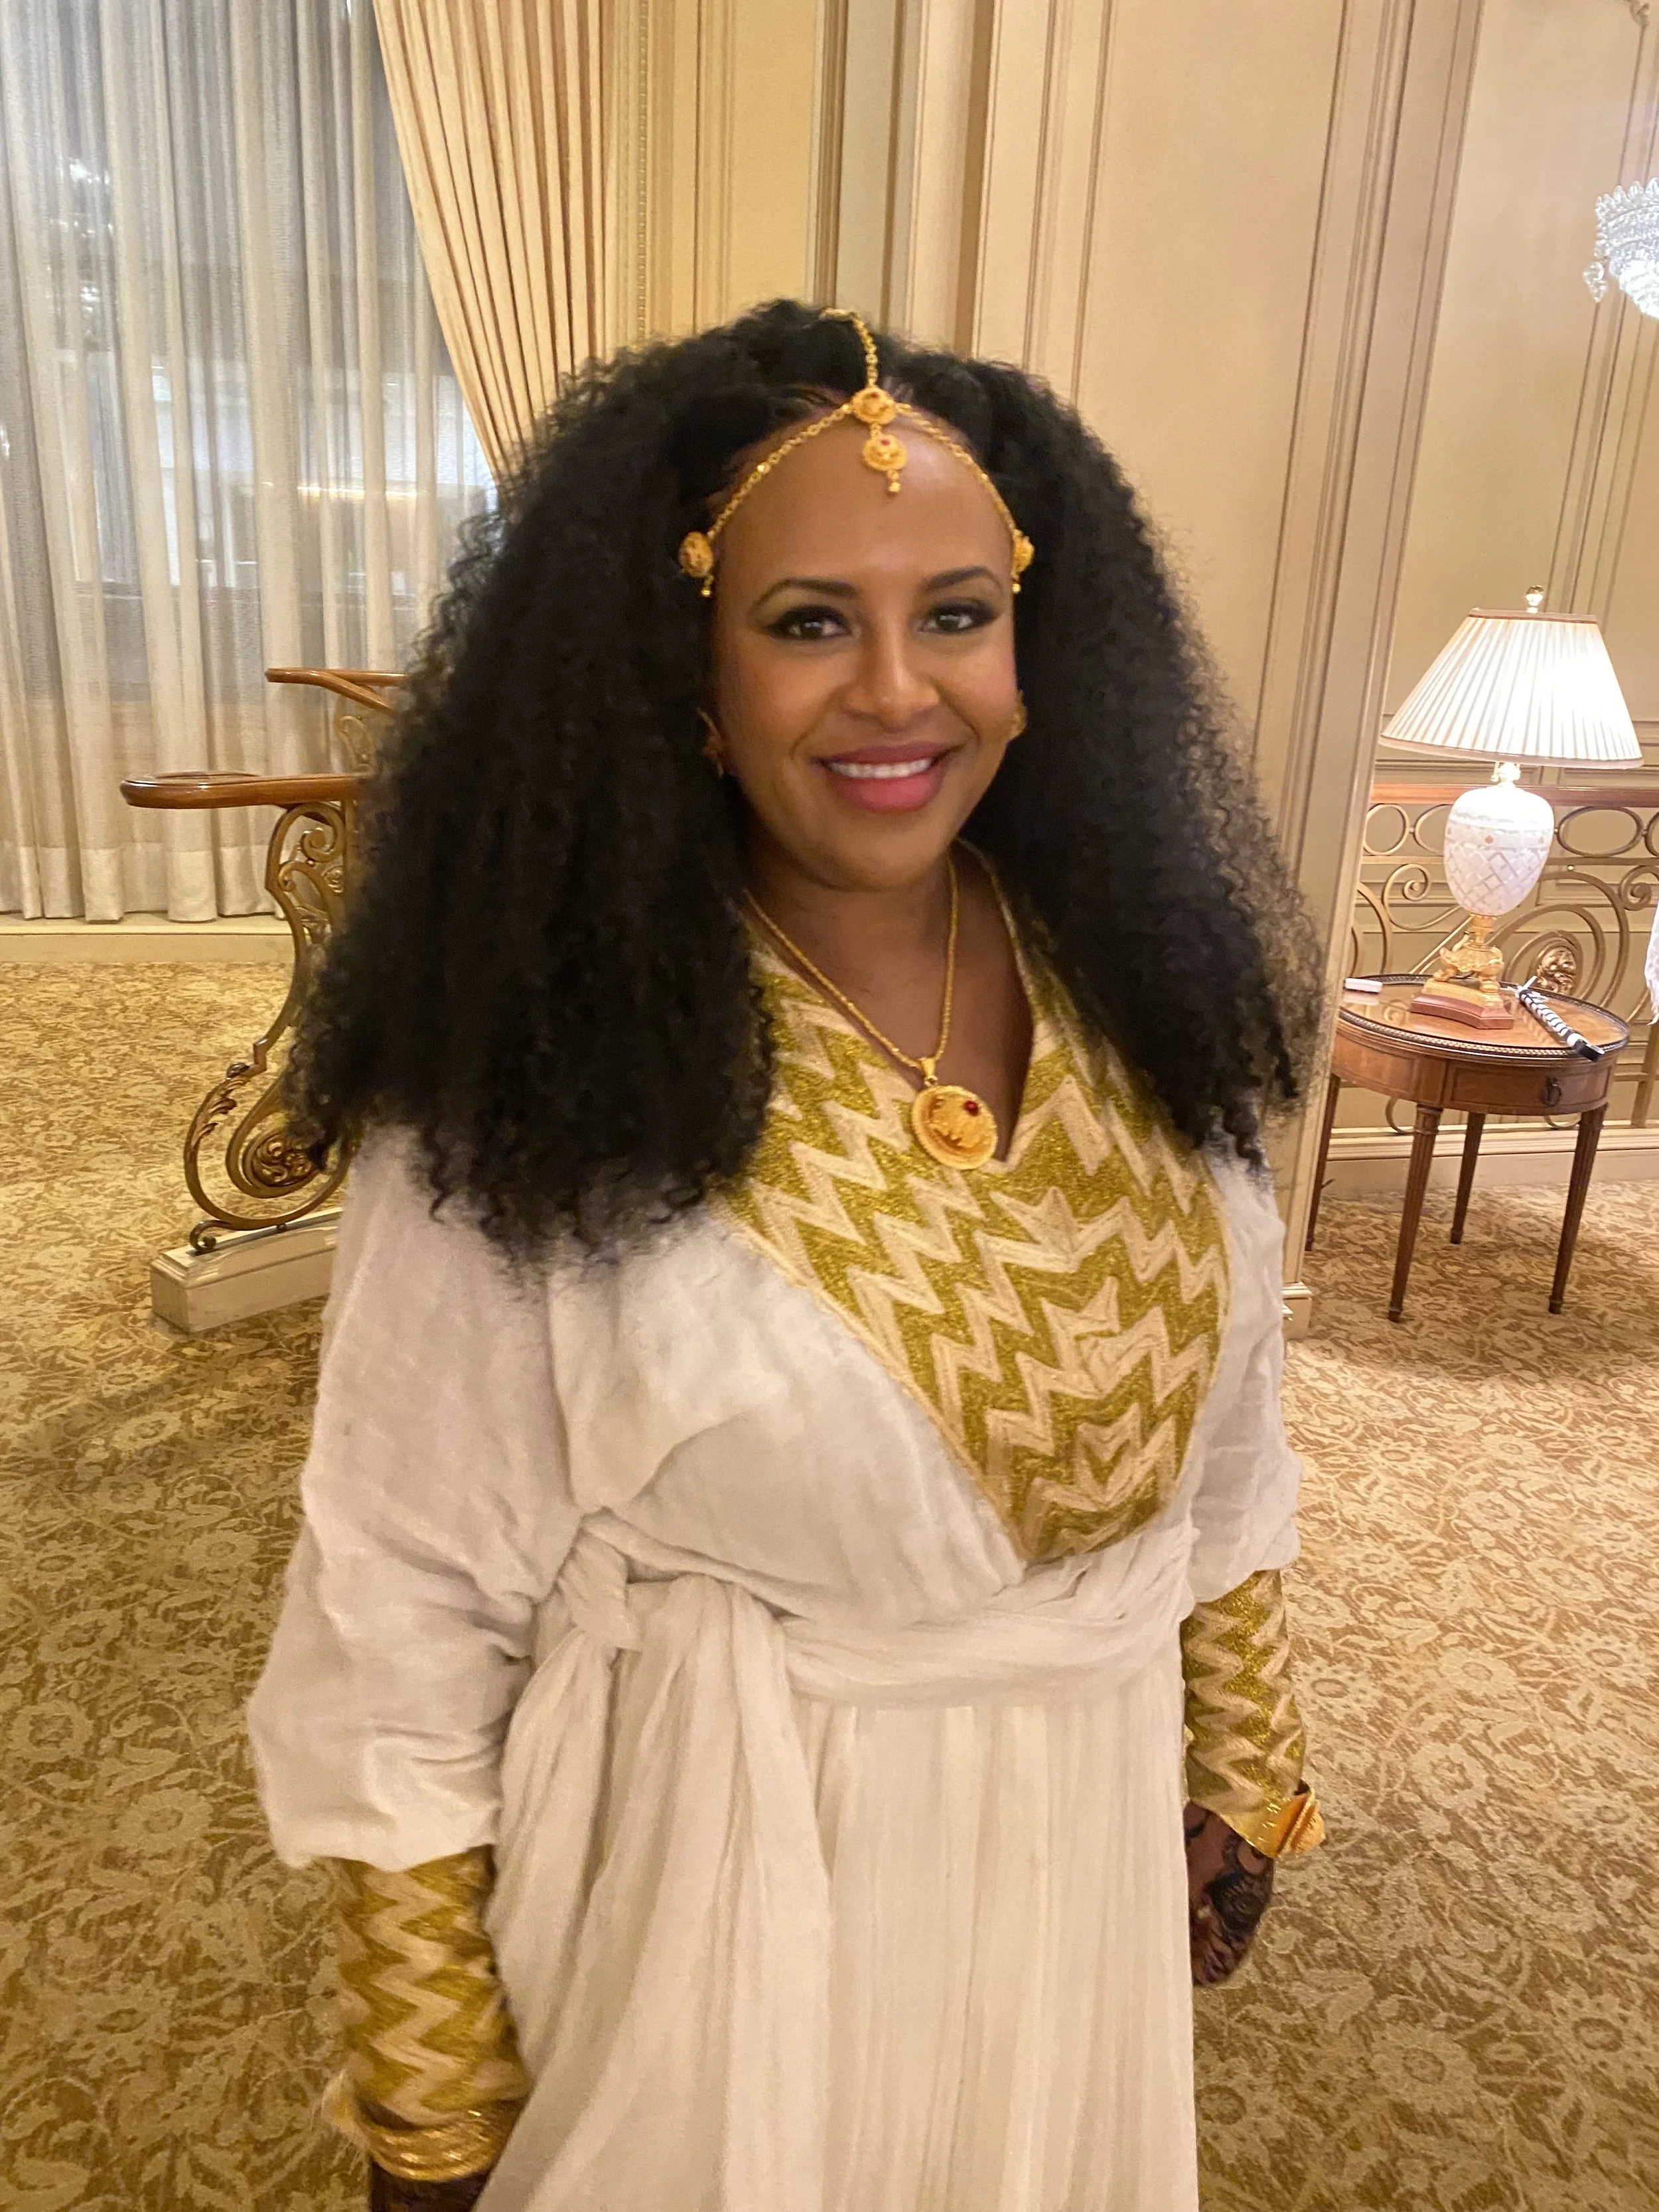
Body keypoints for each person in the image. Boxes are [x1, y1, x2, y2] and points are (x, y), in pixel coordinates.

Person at [249, 299, 1326, 2212]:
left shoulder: (1140, 992)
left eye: (959, 614)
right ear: (687, 665)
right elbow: (399, 1600)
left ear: (1034, 642)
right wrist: (430, 2090)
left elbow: (1224, 1445)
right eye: (809, 620)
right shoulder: (537, 1073)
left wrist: (1228, 1752)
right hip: (715, 1894)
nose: (897, 690)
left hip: (1069, 1861)